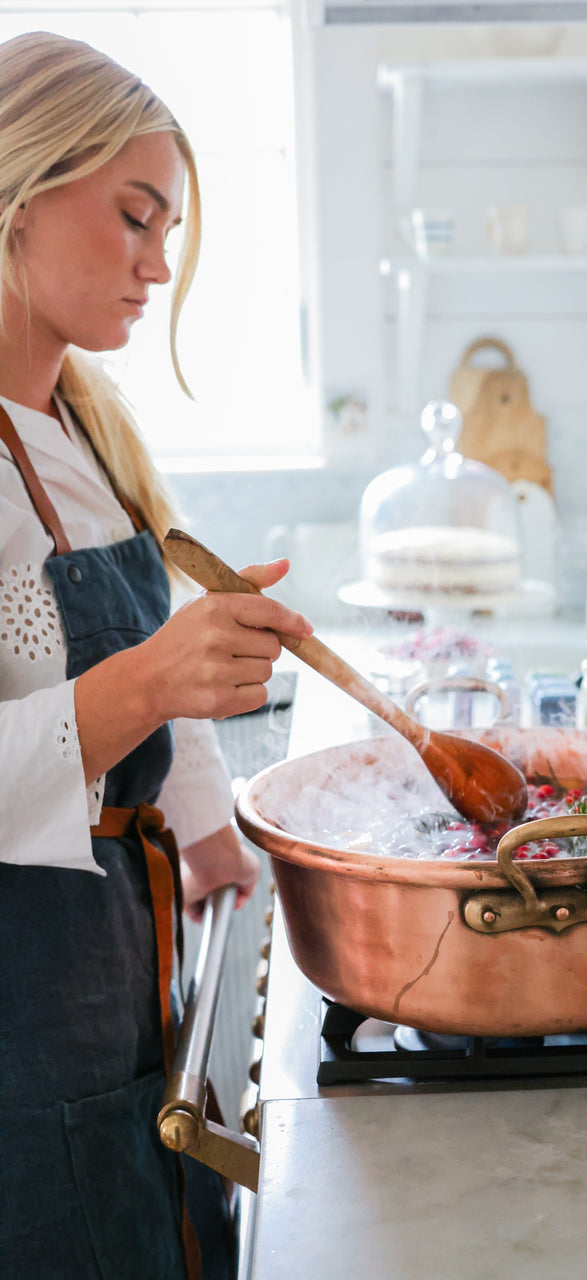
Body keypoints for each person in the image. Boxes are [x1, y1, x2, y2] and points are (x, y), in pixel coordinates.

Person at [0, 31, 312, 1280]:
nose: (158, 265)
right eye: (136, 218)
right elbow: (131, 684)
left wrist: (223, 852)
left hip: (124, 974)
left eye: (168, 228)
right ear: (19, 188)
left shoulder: (84, 419)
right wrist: (158, 674)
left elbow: (150, 706)